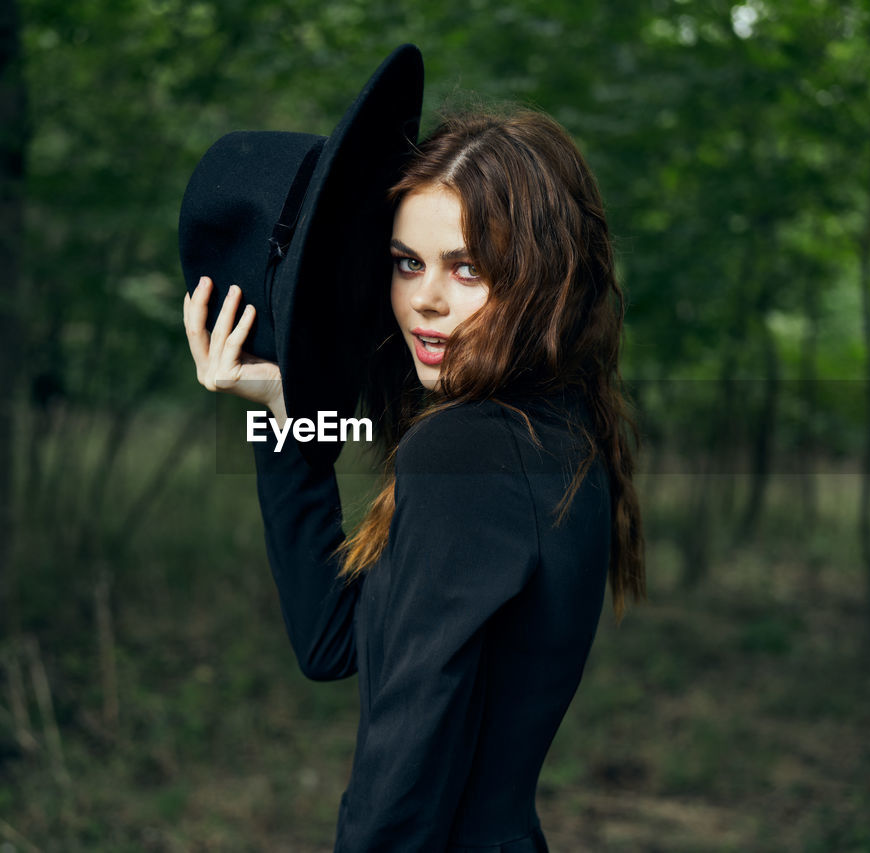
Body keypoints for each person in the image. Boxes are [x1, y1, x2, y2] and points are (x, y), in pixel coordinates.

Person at [183, 95, 644, 851]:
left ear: (543, 275)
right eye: (408, 262)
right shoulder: (561, 427)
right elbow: (333, 638)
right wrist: (277, 408)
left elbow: (401, 781)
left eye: (469, 267)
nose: (426, 300)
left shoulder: (468, 450)